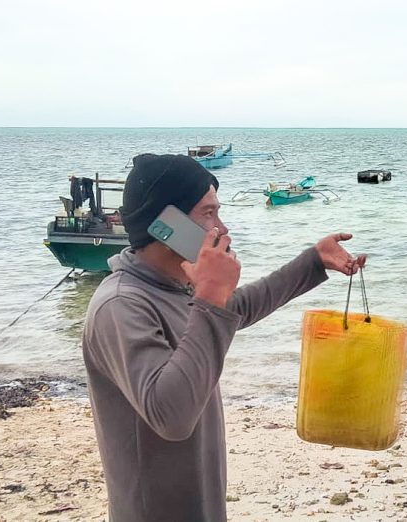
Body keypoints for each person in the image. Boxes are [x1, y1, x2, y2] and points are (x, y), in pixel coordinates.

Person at [82, 153, 367, 522]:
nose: (222, 227)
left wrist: (312, 261)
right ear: (166, 225)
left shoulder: (173, 289)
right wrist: (209, 296)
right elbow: (171, 415)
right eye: (208, 213)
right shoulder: (120, 305)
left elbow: (236, 309)